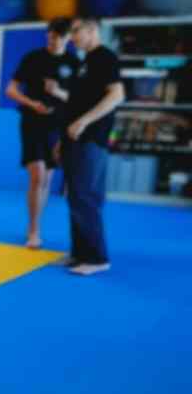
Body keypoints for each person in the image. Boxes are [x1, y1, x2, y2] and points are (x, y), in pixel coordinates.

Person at [5, 18, 80, 249]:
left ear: (68, 38)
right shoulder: (33, 58)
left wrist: (57, 92)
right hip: (32, 122)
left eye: (57, 37)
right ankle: (33, 231)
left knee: (46, 179)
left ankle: (37, 224)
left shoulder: (74, 63)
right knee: (37, 175)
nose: (52, 41)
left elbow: (79, 100)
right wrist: (31, 103)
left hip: (58, 126)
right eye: (49, 37)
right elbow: (10, 90)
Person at [60, 17, 125, 275]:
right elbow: (77, 102)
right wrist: (62, 140)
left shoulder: (104, 57)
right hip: (74, 139)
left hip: (92, 138)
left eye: (76, 31)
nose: (72, 37)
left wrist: (84, 121)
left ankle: (97, 259)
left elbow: (117, 95)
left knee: (86, 197)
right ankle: (79, 254)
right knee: (76, 197)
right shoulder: (84, 62)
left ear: (92, 30)